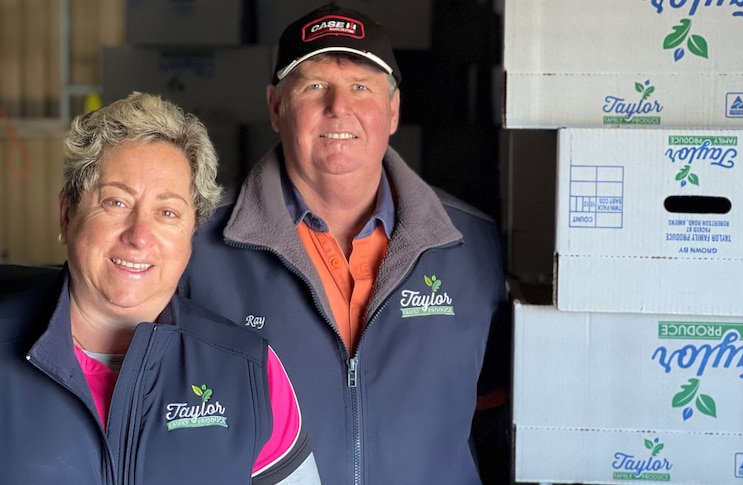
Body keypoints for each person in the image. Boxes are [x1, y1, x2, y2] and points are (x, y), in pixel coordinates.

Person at [179, 4, 511, 484]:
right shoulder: (198, 247)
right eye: (314, 86)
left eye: (362, 87)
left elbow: (494, 413)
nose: (339, 106)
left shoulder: (471, 245)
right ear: (275, 106)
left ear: (393, 110)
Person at [0, 92, 321, 484]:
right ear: (68, 214)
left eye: (167, 212)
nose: (140, 235)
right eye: (116, 202)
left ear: (191, 232)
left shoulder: (251, 371)